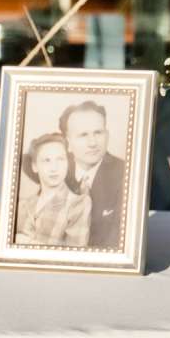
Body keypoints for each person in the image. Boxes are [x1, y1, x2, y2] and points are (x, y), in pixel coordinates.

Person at [60, 98, 126, 251]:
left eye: (98, 132)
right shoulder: (58, 171)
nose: (92, 143)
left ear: (107, 135)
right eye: (83, 135)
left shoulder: (124, 173)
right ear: (68, 142)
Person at [17, 131, 91, 246]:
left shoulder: (78, 204)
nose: (54, 168)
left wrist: (28, 242)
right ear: (34, 166)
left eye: (60, 159)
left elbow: (75, 255)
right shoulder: (23, 205)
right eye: (47, 160)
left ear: (67, 163)